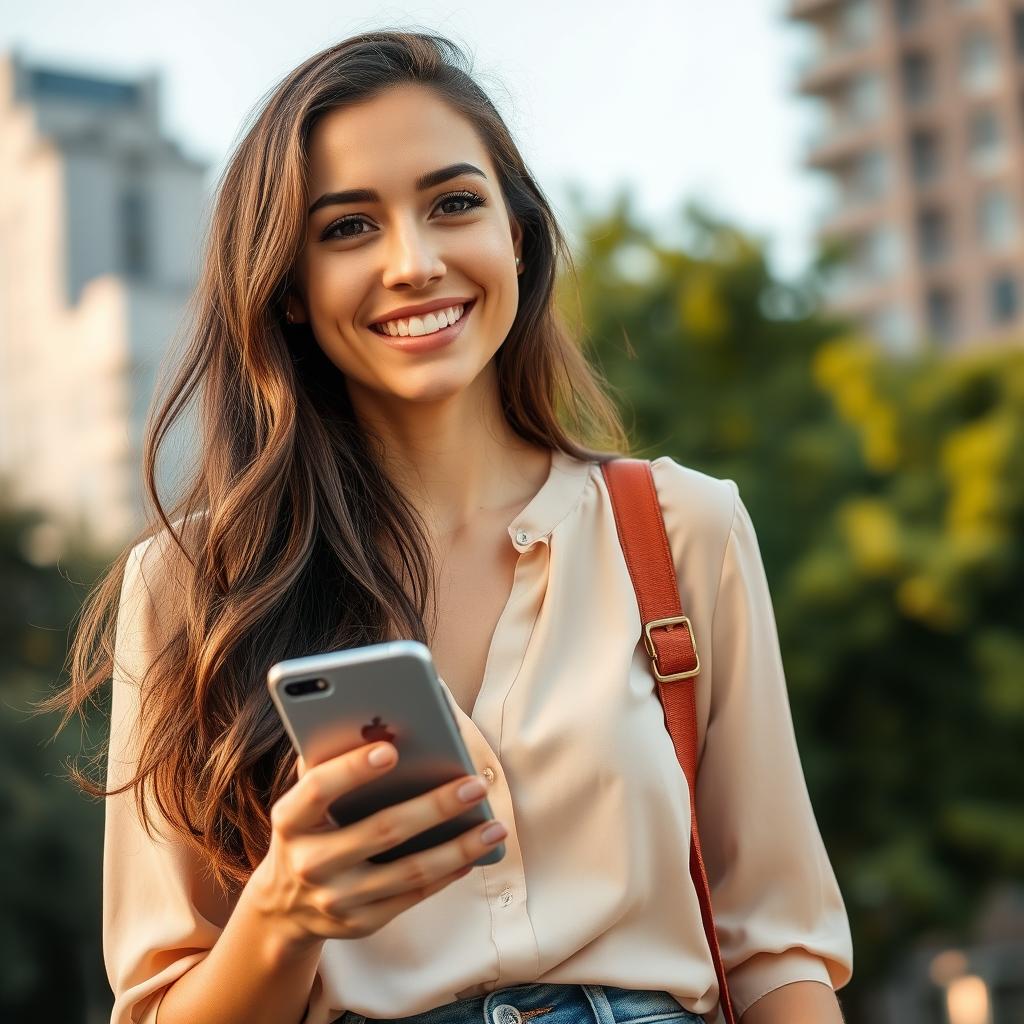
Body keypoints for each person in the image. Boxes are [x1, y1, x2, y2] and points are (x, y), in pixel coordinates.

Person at [51, 29, 853, 1024]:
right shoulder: (191, 584)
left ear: (515, 233)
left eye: (453, 204)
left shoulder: (681, 528)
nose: (414, 262)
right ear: (289, 287)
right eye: (348, 228)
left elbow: (778, 952)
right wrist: (285, 912)